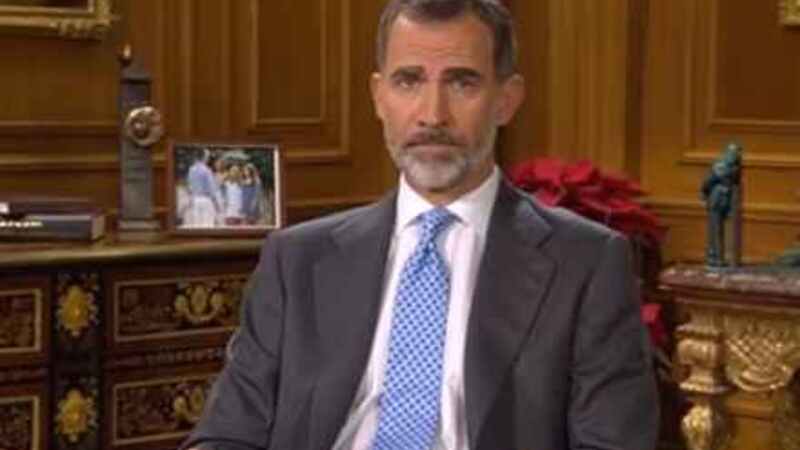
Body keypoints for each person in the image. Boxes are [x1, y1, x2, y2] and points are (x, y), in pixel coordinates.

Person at [181, 1, 658, 449]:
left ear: (506, 100)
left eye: (462, 83)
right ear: (379, 96)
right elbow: (228, 433)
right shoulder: (296, 259)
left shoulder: (586, 263)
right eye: (409, 81)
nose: (433, 115)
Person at [183, 149, 222, 228]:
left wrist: (190, 199)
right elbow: (211, 189)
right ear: (204, 157)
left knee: (196, 226)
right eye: (207, 156)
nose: (208, 158)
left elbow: (188, 186)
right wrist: (216, 203)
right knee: (207, 225)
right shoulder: (207, 170)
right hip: (206, 200)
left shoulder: (191, 170)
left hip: (195, 199)